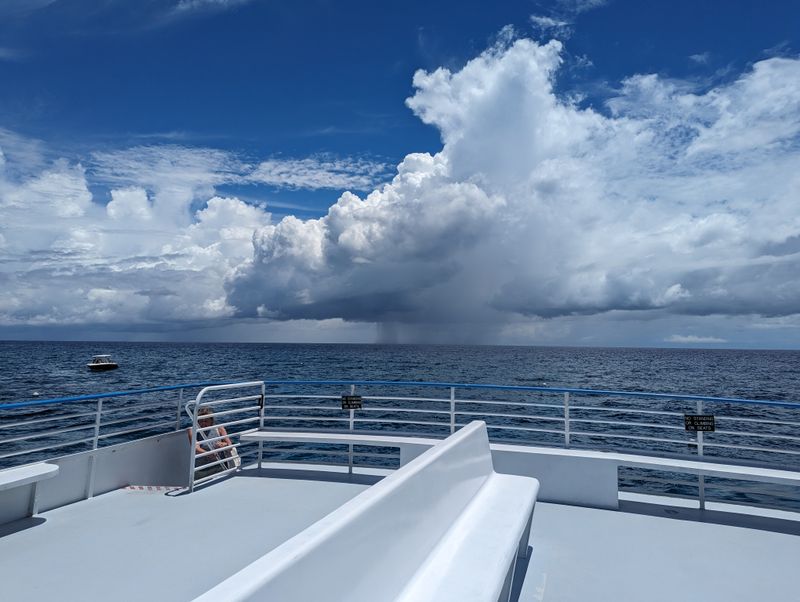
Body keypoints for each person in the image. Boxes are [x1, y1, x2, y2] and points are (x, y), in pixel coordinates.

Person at [187, 406, 233, 479]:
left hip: (220, 466)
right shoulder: (192, 431)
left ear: (211, 420)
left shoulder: (220, 428)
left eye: (206, 421)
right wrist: (208, 454)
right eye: (201, 421)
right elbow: (195, 449)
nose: (203, 423)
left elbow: (230, 446)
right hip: (201, 469)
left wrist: (224, 445)